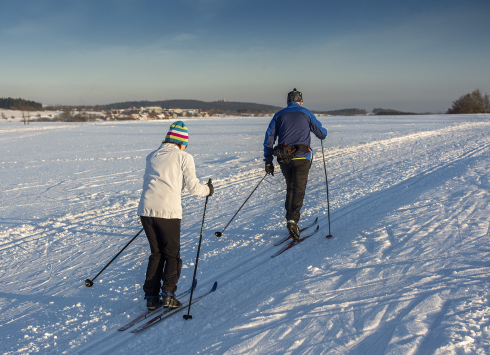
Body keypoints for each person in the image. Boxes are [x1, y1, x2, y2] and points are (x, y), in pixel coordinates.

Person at [137, 121, 213, 310]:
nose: (186, 146)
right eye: (186, 142)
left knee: (156, 253)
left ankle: (152, 297)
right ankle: (168, 295)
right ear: (180, 141)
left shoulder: (152, 155)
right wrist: (208, 190)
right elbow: (194, 188)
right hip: (168, 212)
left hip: (146, 211)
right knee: (172, 254)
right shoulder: (183, 156)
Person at [263, 88, 327, 240]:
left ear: (287, 102)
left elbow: (269, 139)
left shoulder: (279, 115)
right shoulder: (306, 113)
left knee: (290, 187)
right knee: (299, 188)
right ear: (300, 102)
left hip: (284, 159)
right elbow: (322, 133)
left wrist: (268, 161)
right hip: (302, 157)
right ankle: (293, 220)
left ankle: (290, 218)